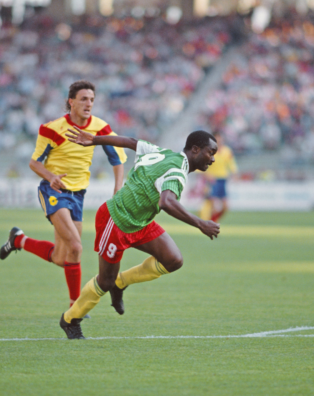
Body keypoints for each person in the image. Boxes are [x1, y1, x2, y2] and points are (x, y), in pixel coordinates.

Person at [58, 129, 220, 339]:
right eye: (211, 152)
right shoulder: (177, 171)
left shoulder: (163, 153)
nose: (213, 158)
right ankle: (70, 319)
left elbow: (131, 142)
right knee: (105, 282)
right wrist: (200, 223)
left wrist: (95, 140)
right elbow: (167, 202)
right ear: (196, 150)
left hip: (140, 223)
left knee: (173, 260)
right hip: (116, 220)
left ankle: (121, 282)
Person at [0, 80, 127, 311]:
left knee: (62, 257)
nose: (89, 104)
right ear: (71, 102)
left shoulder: (100, 127)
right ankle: (75, 308)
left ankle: (18, 240)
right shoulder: (51, 129)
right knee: (76, 247)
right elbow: (34, 163)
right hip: (54, 191)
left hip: (78, 196)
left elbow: (117, 160)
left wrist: (117, 188)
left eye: (92, 100)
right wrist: (51, 177)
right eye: (84, 99)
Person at [199, 132, 237, 222]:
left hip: (222, 180)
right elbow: (200, 166)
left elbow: (231, 164)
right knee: (214, 205)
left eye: (220, 138)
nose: (219, 141)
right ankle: (208, 223)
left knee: (225, 207)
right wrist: (206, 174)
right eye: (217, 139)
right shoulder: (208, 151)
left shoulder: (227, 151)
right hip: (212, 181)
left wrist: (234, 173)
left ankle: (212, 221)